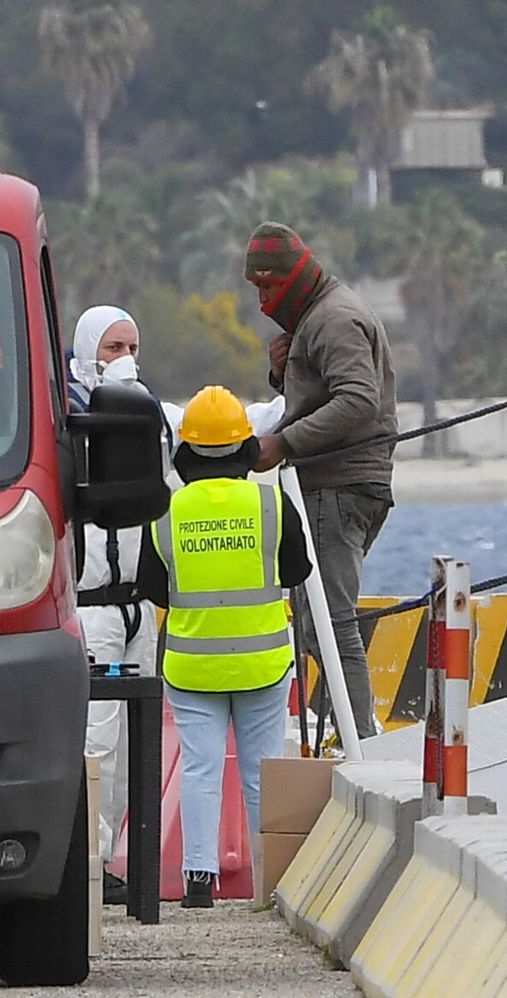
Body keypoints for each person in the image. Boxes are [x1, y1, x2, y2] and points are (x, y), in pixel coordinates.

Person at [137, 385, 312, 908]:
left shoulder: (166, 510)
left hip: (192, 666)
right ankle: (268, 883)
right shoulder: (271, 501)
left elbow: (151, 585)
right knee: (262, 772)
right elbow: (298, 570)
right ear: (246, 450)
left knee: (200, 769)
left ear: (185, 451)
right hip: (263, 660)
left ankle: (197, 881)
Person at [243, 221, 397, 744]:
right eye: (256, 288)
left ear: (293, 279)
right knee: (315, 623)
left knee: (331, 623)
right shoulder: (319, 317)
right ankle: (350, 736)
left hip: (339, 484)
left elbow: (358, 400)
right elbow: (325, 393)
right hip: (343, 483)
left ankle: (362, 746)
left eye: (268, 287)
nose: (263, 300)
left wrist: (281, 445)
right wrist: (281, 373)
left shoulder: (333, 318)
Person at [67, 305, 170, 906]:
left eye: (132, 345)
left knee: (135, 753)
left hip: (138, 608)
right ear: (87, 351)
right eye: (112, 348)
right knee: (94, 741)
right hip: (92, 607)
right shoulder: (71, 420)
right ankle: (88, 863)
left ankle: (115, 859)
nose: (124, 358)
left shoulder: (151, 417)